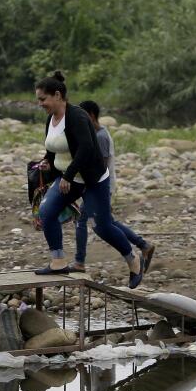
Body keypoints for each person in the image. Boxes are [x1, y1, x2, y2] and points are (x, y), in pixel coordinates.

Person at [32, 72, 142, 286]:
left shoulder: (78, 116)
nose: (40, 104)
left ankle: (133, 259)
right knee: (46, 212)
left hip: (92, 180)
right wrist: (47, 160)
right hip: (69, 178)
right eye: (38, 99)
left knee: (101, 226)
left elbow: (86, 148)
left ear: (57, 95)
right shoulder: (51, 118)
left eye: (42, 99)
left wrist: (68, 175)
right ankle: (58, 261)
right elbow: (53, 148)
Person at [75, 100, 154, 274]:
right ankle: (143, 245)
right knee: (106, 222)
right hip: (97, 186)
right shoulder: (95, 134)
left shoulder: (101, 136)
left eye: (82, 116)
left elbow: (100, 168)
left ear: (92, 115)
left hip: (101, 186)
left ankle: (79, 261)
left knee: (84, 221)